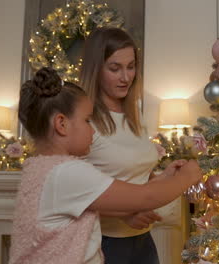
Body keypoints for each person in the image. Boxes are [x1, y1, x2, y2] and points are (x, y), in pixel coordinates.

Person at [9, 67, 203, 264]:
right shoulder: (68, 173)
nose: (92, 131)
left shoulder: (39, 169)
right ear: (62, 124)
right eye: (87, 121)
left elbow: (127, 195)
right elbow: (145, 198)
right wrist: (186, 177)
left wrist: (165, 178)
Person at [80, 27, 171, 263]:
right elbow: (74, 194)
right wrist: (124, 215)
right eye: (115, 68)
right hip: (104, 244)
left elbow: (138, 177)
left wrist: (168, 176)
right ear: (95, 69)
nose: (125, 77)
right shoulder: (83, 122)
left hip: (143, 242)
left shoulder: (135, 116)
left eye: (131, 66)